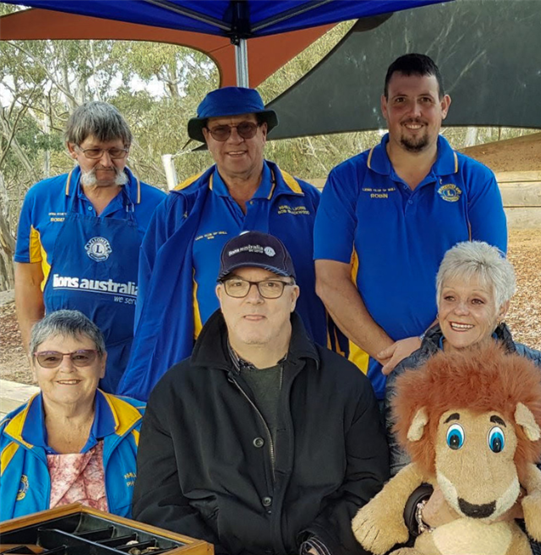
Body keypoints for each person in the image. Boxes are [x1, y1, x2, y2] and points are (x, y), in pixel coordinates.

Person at [131, 233, 387, 555]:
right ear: (219, 295)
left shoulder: (346, 385)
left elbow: (369, 488)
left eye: (270, 285)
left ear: (293, 296)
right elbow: (157, 503)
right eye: (238, 285)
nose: (253, 297)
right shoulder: (175, 393)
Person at [314, 53, 507, 398]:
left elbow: (491, 285)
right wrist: (392, 355)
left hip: (460, 369)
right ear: (385, 106)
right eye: (401, 100)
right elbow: (330, 281)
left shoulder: (476, 181)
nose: (414, 112)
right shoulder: (347, 181)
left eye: (425, 101)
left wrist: (424, 348)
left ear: (444, 106)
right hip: (373, 374)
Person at [120, 87, 325, 401]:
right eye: (220, 130)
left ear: (263, 131)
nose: (234, 140)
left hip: (298, 377)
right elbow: (153, 304)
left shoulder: (308, 202)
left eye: (245, 127)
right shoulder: (179, 208)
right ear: (207, 137)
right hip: (212, 383)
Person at [385, 241, 541, 555]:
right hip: (436, 532)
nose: (460, 311)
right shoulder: (409, 374)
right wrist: (423, 511)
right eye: (450, 298)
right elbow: (399, 466)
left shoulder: (538, 369)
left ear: (501, 309)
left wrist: (505, 505)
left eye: (476, 301)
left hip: (517, 531)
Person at [14, 102, 166, 392]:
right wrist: (35, 352)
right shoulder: (41, 199)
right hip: (64, 358)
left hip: (133, 357)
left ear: (128, 148)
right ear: (73, 150)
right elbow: (28, 279)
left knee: (131, 434)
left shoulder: (159, 205)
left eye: (116, 151)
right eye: (94, 152)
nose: (106, 162)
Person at [1, 310, 144, 521]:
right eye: (50, 359)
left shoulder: (146, 424)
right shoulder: (5, 440)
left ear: (102, 363)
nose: (67, 368)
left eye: (81, 357)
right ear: (33, 367)